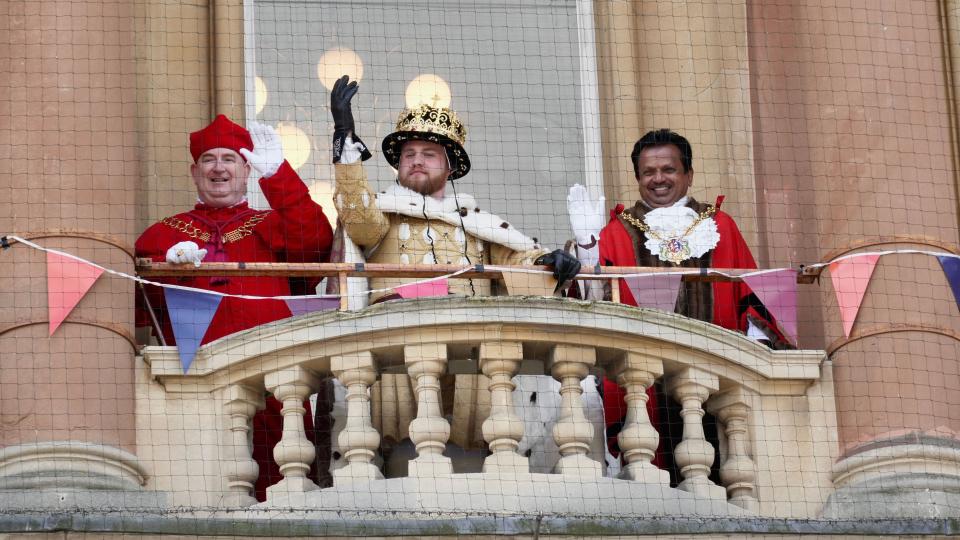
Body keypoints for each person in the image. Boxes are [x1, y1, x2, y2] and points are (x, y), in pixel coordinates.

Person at [568, 128, 788, 480]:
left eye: (668, 170)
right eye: (648, 173)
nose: (658, 179)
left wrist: (757, 361)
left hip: (718, 378)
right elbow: (595, 306)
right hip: (643, 383)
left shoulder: (720, 226)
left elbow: (752, 297)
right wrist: (586, 246)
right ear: (638, 178)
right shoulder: (617, 232)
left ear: (688, 175)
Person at [135, 114, 334, 501]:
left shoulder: (270, 223)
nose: (219, 167)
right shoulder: (162, 234)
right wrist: (168, 272)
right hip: (194, 387)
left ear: (246, 169)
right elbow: (138, 306)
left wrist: (278, 176)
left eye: (230, 158)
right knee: (200, 496)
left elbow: (314, 242)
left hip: (274, 382)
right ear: (194, 171)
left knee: (285, 496)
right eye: (209, 158)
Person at [328, 75, 580, 304]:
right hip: (399, 334)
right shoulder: (383, 214)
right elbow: (358, 217)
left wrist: (546, 263)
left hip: (467, 341)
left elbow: (516, 263)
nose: (417, 161)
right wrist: (345, 135)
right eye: (409, 154)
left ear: (450, 167)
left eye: (428, 155)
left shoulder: (479, 223)